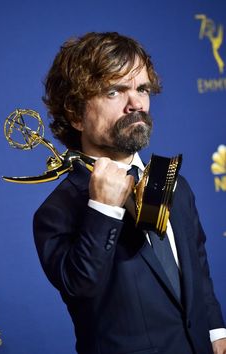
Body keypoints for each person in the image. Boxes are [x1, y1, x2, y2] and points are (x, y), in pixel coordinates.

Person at [33, 32, 226, 354]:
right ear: (75, 113)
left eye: (142, 89)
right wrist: (102, 208)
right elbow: (79, 289)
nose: (136, 104)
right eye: (114, 91)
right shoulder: (58, 210)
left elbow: (198, 269)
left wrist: (216, 332)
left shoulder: (174, 183)